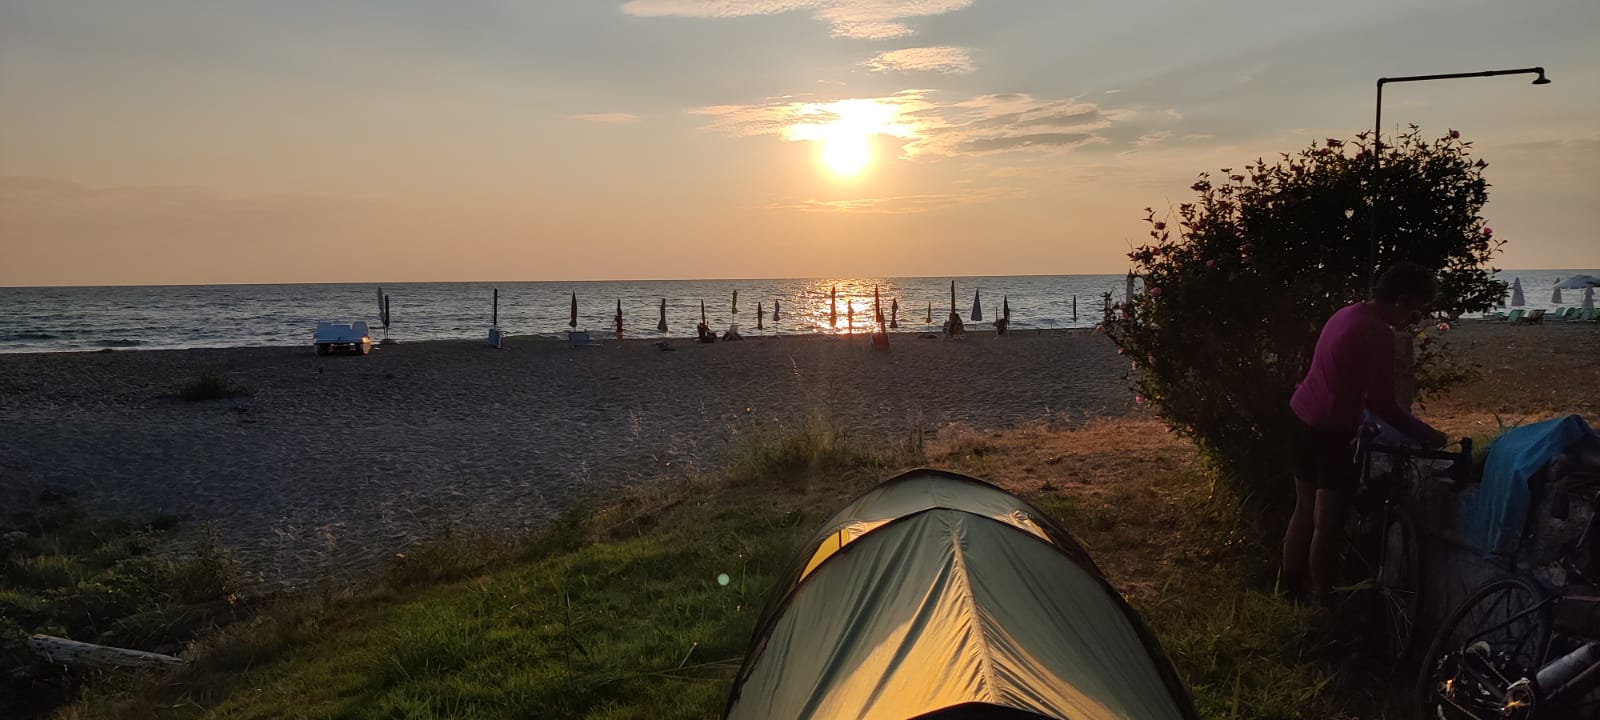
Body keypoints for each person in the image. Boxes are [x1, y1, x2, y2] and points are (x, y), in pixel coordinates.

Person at [1281, 262, 1450, 605]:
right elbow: (1383, 402)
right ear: (1402, 301)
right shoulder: (1377, 332)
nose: (1412, 320)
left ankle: (1288, 589)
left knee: (1302, 509)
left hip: (1301, 415)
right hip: (1331, 430)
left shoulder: (1346, 313)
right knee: (1326, 525)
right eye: (1415, 311)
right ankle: (1323, 601)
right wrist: (1426, 434)